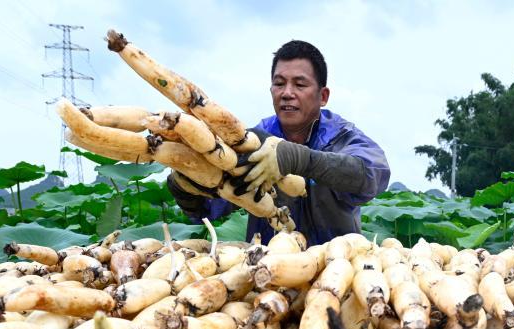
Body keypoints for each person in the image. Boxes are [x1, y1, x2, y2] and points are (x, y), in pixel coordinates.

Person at [166, 40, 391, 246]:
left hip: (336, 269)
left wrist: (300, 159)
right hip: (267, 273)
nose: (287, 93)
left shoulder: (340, 136)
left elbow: (374, 175)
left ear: (323, 96)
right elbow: (209, 208)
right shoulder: (252, 141)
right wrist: (187, 187)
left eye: (300, 85)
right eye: (279, 83)